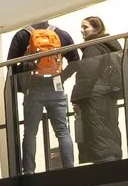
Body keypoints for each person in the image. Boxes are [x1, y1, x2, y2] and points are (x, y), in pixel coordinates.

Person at [7, 18, 78, 173]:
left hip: (32, 90)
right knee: (62, 131)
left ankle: (29, 171)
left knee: (30, 133)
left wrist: (25, 75)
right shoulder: (61, 34)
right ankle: (69, 168)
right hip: (56, 88)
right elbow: (75, 61)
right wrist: (61, 77)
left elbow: (10, 65)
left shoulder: (22, 35)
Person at [69, 14, 127, 163]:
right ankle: (115, 158)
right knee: (110, 127)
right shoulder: (110, 46)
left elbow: (87, 75)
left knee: (97, 130)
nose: (82, 30)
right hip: (109, 94)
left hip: (94, 96)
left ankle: (105, 163)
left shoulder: (93, 48)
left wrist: (76, 99)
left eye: (85, 27)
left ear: (96, 28)